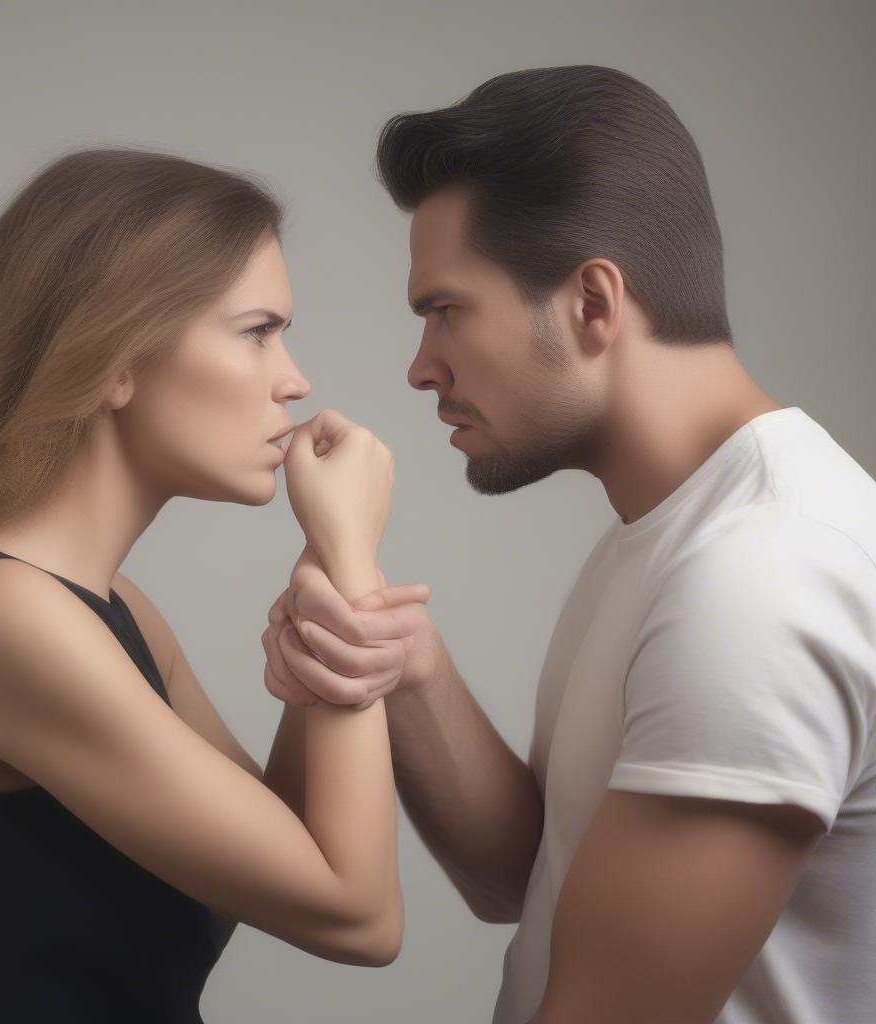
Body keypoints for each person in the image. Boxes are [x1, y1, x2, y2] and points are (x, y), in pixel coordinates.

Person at [262, 66, 876, 1024]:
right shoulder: (673, 535)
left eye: (445, 310)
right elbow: (529, 879)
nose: (421, 367)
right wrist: (408, 668)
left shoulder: (760, 577)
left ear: (593, 302)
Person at [0, 148, 428, 1023]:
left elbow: (285, 846)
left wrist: (321, 597)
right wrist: (350, 557)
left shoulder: (114, 610)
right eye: (257, 331)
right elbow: (357, 914)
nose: (295, 379)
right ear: (114, 358)